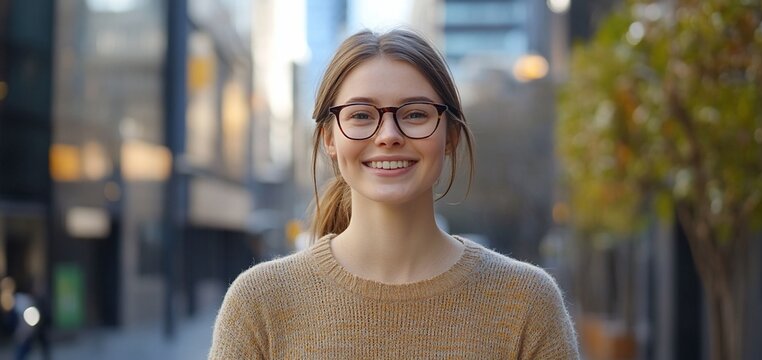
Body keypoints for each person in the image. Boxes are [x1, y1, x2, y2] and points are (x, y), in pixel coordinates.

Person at [209, 28, 579, 359]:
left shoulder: (526, 303)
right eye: (361, 115)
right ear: (329, 139)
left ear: (449, 136)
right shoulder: (259, 303)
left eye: (415, 114)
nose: (388, 134)